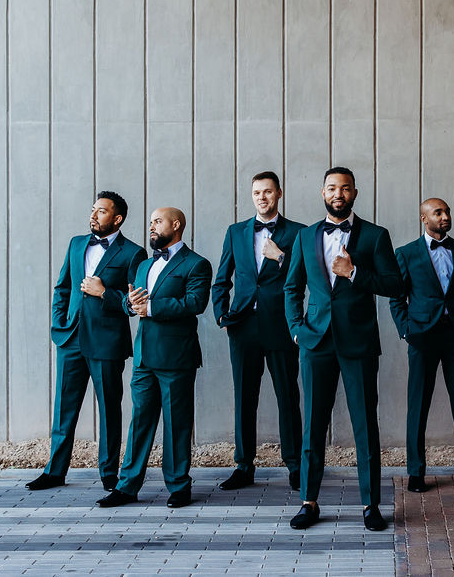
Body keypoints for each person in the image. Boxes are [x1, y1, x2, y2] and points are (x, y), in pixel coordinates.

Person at [283, 167, 402, 531]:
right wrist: (297, 330)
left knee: (365, 424)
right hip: (315, 341)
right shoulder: (305, 236)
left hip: (358, 343)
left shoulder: (376, 236)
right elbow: (292, 287)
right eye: (332, 188)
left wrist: (354, 274)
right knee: (313, 425)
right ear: (322, 192)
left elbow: (395, 285)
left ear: (355, 193)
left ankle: (370, 505)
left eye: (345, 188)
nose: (339, 194)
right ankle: (308, 501)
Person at [28, 191, 146, 493]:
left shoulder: (134, 253)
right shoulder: (76, 243)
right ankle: (55, 471)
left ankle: (109, 473)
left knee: (109, 408)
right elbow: (63, 287)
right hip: (71, 338)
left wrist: (104, 292)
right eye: (93, 210)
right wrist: (60, 323)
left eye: (102, 212)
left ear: (117, 218)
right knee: (64, 407)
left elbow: (135, 304)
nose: (93, 216)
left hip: (106, 342)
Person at [97, 207, 212, 509]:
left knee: (177, 424)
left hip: (176, 359)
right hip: (144, 359)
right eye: (150, 222)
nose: (151, 226)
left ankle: (178, 486)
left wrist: (153, 308)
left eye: (157, 221)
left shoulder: (197, 264)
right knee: (139, 423)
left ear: (176, 225)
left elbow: (195, 302)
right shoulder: (144, 265)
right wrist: (129, 303)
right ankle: (126, 486)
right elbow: (130, 301)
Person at [389, 198, 454, 494]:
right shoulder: (406, 254)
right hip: (422, 337)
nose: (445, 216)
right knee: (418, 405)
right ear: (424, 218)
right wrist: (406, 331)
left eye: (447, 211)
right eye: (438, 212)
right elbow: (397, 298)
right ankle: (416, 472)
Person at [211, 171, 305, 492]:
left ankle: (295, 465)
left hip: (281, 326)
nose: (262, 198)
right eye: (256, 193)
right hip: (243, 327)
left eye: (267, 192)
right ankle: (244, 466)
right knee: (244, 397)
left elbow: (306, 275)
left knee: (287, 397)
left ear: (279, 193)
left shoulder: (298, 232)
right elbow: (222, 277)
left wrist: (280, 256)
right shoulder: (236, 232)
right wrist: (221, 315)